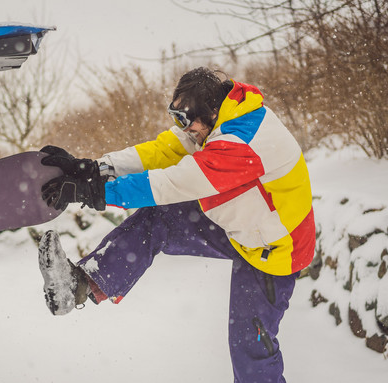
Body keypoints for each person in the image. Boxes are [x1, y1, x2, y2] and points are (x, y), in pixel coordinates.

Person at [38, 67, 315, 382]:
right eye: (179, 119)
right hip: (243, 230)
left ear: (212, 109)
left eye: (188, 121)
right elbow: (161, 152)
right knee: (161, 216)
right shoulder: (216, 120)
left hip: (276, 250)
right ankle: (81, 285)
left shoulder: (242, 142)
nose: (186, 130)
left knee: (250, 353)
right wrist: (93, 168)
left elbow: (171, 183)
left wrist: (94, 191)